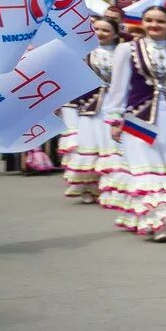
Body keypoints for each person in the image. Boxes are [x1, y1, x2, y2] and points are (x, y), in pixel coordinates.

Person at [101, 5, 166, 242]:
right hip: (139, 118)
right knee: (146, 167)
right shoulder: (126, 49)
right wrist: (115, 117)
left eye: (160, 21)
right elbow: (119, 86)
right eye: (149, 20)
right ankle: (156, 221)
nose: (154, 25)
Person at [63, 15, 123, 205]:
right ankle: (88, 187)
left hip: (115, 105)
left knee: (112, 146)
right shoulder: (84, 53)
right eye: (97, 29)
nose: (100, 33)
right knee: (90, 145)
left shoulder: (123, 53)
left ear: (115, 34)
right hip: (90, 105)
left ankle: (113, 188)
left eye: (106, 30)